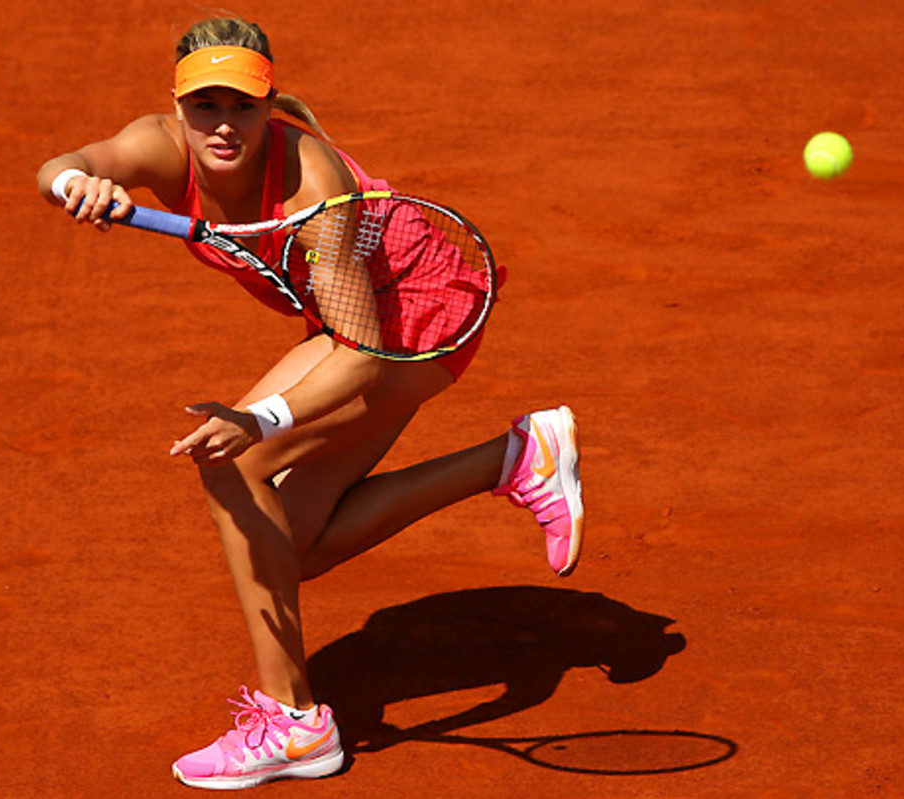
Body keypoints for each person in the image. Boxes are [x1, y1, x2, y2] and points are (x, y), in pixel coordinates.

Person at [36, 16, 584, 791]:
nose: (223, 126)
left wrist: (262, 419)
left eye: (243, 107)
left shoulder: (314, 192)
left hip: (417, 316)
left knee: (236, 463)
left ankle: (293, 721)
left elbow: (360, 358)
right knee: (287, 550)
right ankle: (517, 457)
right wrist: (75, 182)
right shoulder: (159, 144)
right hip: (352, 314)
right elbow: (59, 164)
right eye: (206, 106)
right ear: (177, 104)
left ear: (270, 105)